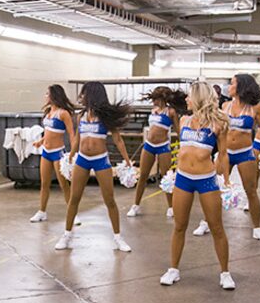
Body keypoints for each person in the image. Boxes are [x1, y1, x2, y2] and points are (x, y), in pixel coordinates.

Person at [160, 81, 234, 289]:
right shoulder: (183, 120)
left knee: (216, 227)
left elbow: (223, 154)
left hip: (206, 180)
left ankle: (225, 272)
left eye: (189, 96)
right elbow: (182, 150)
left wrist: (226, 180)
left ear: (198, 98)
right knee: (179, 226)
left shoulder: (218, 124)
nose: (186, 100)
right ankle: (173, 269)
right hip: (183, 178)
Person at [192, 74, 260, 242]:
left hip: (245, 153)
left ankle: (257, 228)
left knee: (251, 191)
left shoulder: (255, 108)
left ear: (241, 87)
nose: (229, 86)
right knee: (214, 189)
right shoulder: (225, 105)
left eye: (232, 83)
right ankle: (206, 222)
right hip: (225, 153)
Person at [55, 81, 133, 252]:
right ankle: (67, 235)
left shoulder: (106, 117)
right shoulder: (80, 116)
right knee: (74, 199)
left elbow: (118, 139)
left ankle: (118, 237)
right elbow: (76, 138)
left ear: (92, 95)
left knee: (109, 200)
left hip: (101, 160)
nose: (81, 97)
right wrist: (70, 155)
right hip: (82, 159)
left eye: (84, 93)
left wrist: (126, 159)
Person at [127, 87, 185, 218]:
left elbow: (178, 130)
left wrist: (184, 146)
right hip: (149, 146)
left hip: (163, 146)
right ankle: (135, 205)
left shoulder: (170, 112)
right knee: (143, 175)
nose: (153, 101)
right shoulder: (153, 111)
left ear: (162, 99)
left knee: (167, 178)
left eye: (155, 99)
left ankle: (171, 207)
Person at [30, 85, 77, 223]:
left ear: (54, 95)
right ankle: (42, 212)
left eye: (47, 93)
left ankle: (72, 213)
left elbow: (71, 133)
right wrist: (41, 141)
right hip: (46, 152)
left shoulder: (63, 113)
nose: (45, 96)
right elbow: (49, 131)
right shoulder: (48, 111)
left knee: (64, 184)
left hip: (58, 153)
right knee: (44, 183)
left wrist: (73, 153)